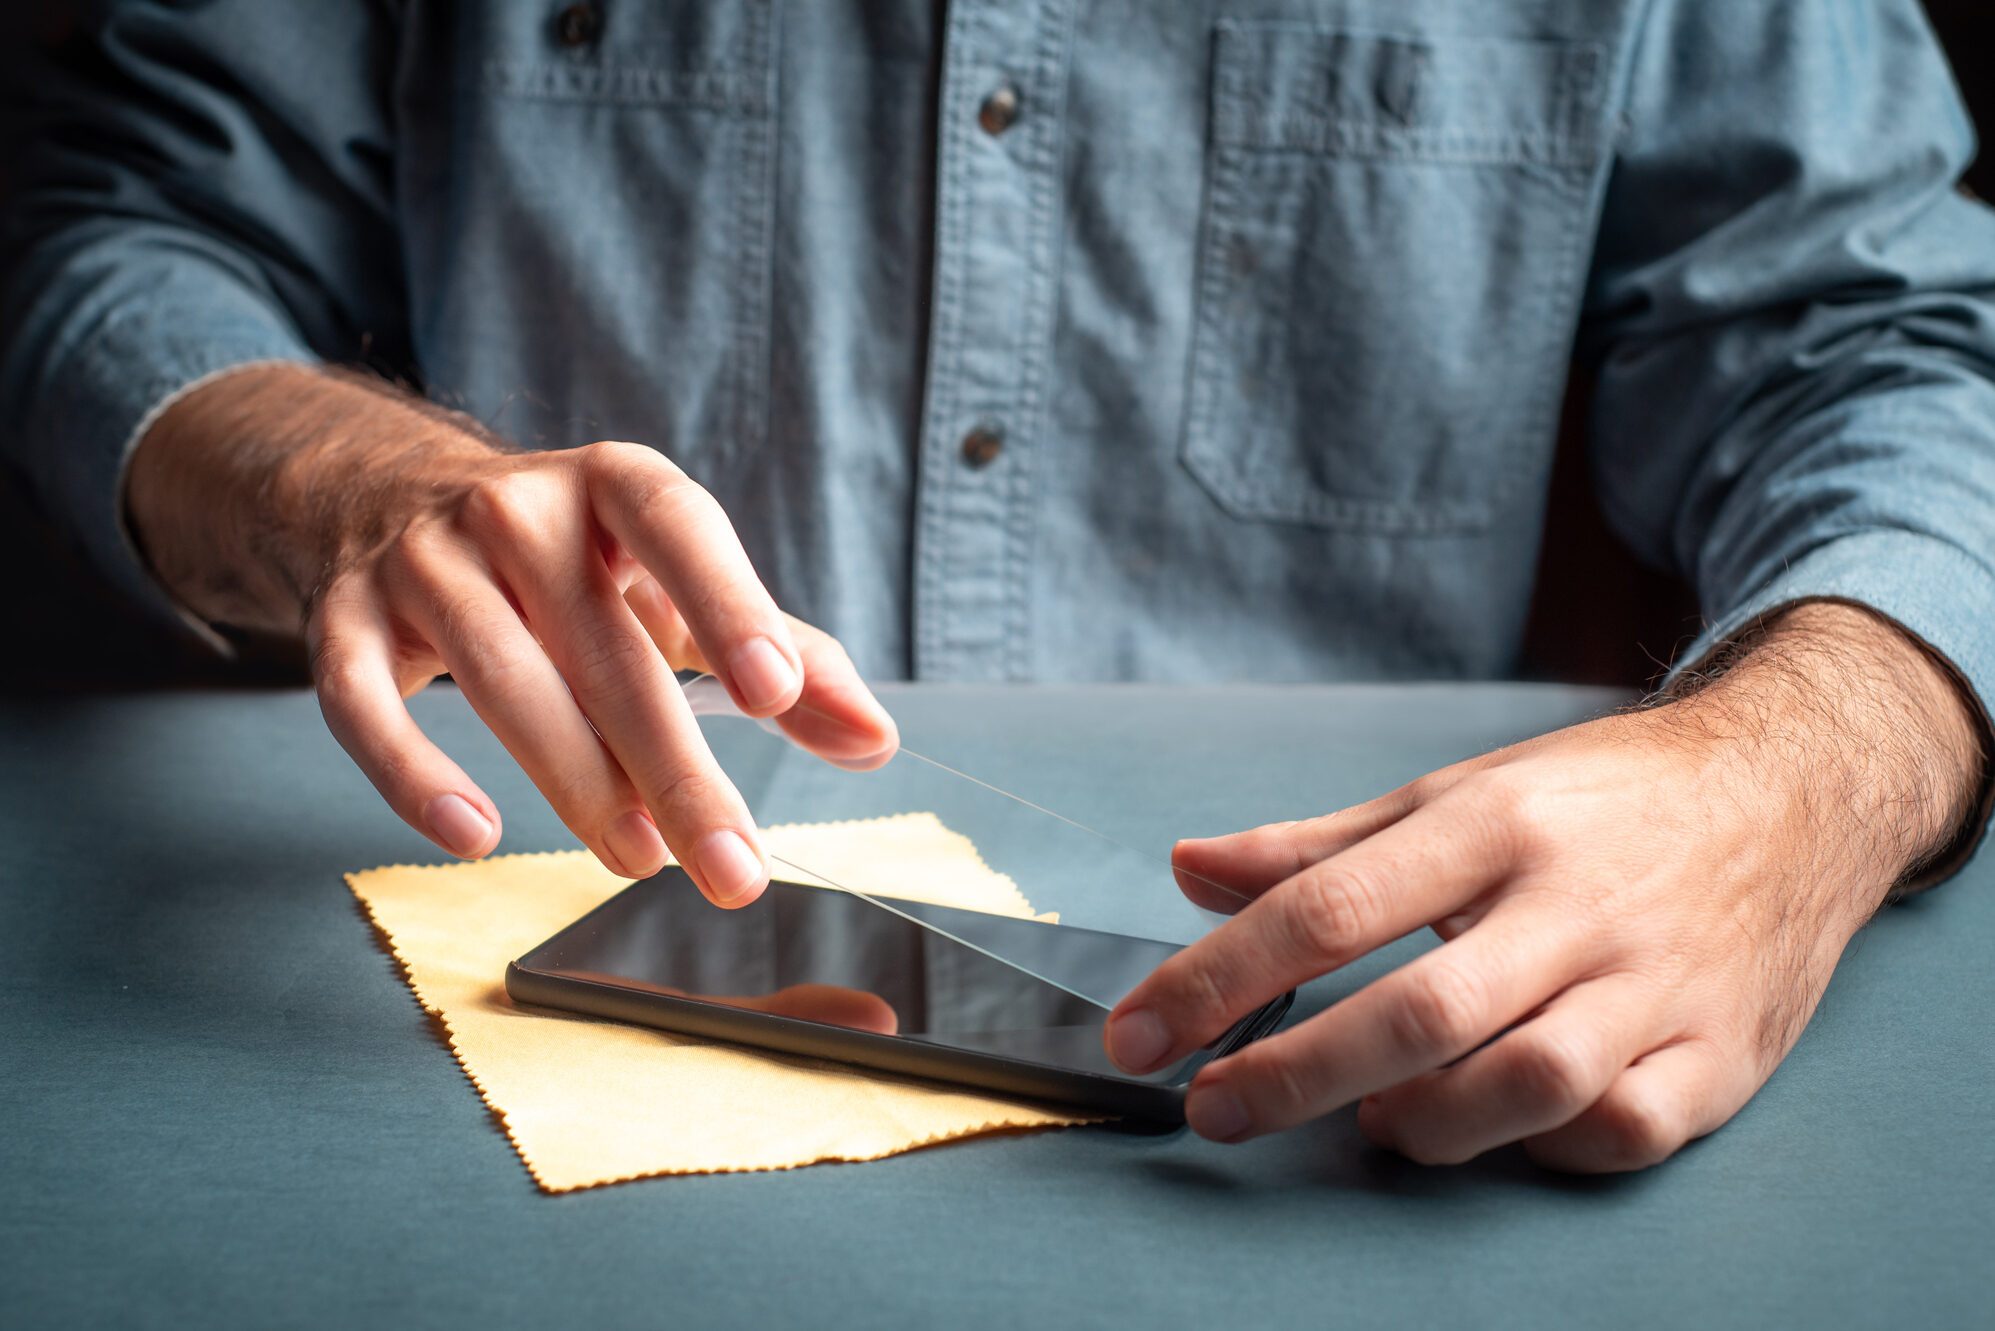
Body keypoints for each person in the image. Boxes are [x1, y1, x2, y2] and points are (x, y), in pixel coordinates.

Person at [3, 2, 1990, 1173]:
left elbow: (1885, 349)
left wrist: (1812, 762)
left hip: (1342, 1084)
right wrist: (338, 470)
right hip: (418, 1030)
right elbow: (123, 230)